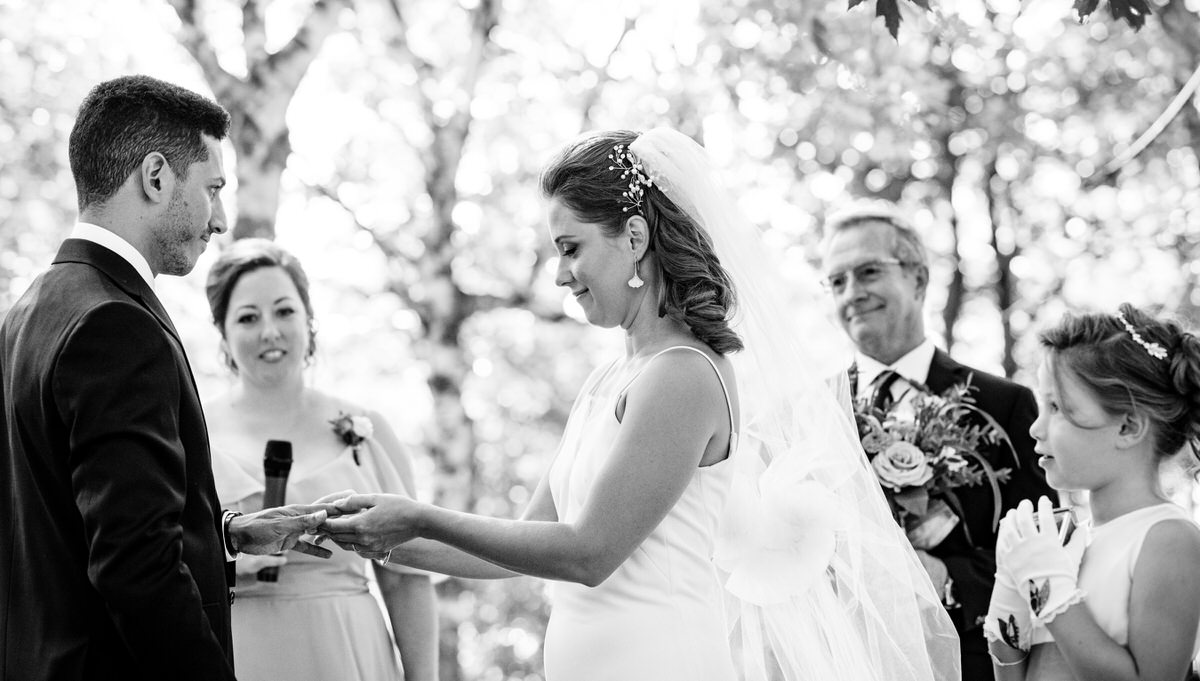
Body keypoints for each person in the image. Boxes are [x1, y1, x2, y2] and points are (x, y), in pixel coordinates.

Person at [317, 128, 960, 681]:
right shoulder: (610, 381)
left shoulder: (685, 375)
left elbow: (587, 553)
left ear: (632, 237)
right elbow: (510, 546)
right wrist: (353, 535)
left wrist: (419, 516)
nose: (561, 275)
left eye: (571, 248)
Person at [0, 75, 332, 681]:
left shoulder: (30, 311)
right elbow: (137, 568)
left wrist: (224, 533)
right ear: (155, 177)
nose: (221, 219)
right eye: (212, 189)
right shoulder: (115, 326)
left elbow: (65, 517)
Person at [821, 201, 1053, 681]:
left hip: (971, 662)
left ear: (918, 279)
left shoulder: (1003, 404)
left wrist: (950, 579)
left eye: (867, 272)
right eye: (837, 281)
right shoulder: (813, 414)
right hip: (846, 659)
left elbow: (1042, 552)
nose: (853, 293)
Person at [203, 238, 438, 681]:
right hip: (236, 653)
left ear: (309, 320)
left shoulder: (367, 430)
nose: (269, 330)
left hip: (347, 649)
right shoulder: (191, 432)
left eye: (284, 311)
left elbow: (407, 577)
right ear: (224, 333)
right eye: (248, 318)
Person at [984, 304, 1200, 680]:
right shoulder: (1067, 541)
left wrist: (1048, 590)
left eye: (1058, 408)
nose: (1036, 428)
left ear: (1128, 427)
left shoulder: (1168, 537)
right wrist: (1010, 599)